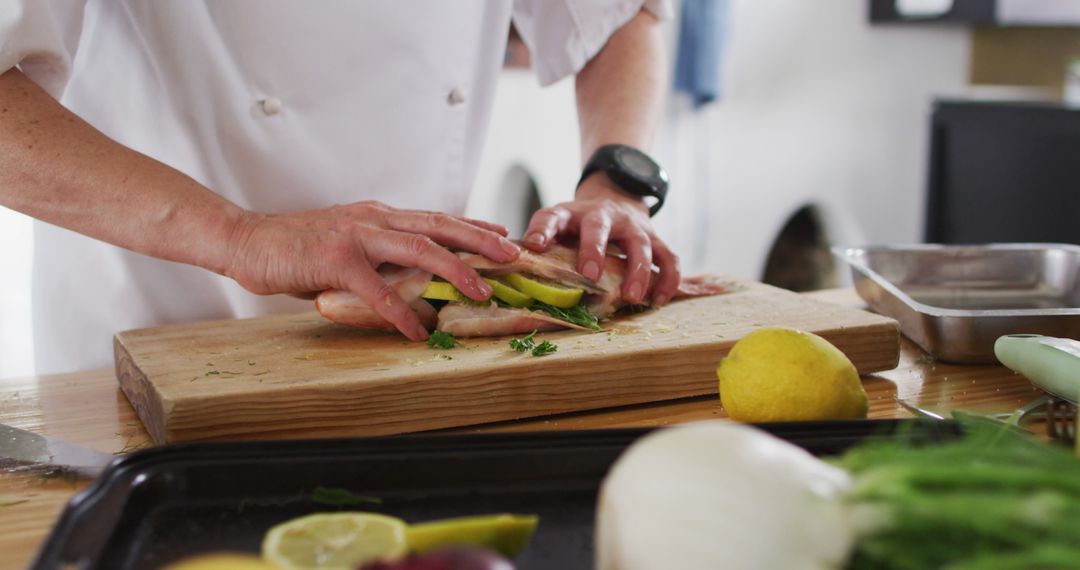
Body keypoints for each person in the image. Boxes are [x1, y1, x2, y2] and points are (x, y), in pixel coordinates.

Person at [0, 1, 680, 375]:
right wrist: (241, 236)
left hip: (411, 357)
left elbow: (619, 11)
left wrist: (617, 180)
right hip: (156, 344)